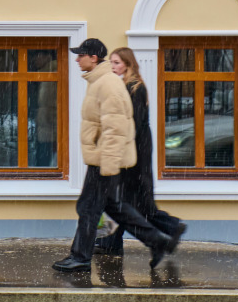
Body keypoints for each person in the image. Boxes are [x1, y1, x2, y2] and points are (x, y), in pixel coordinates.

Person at [52, 38, 173, 277]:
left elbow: (115, 128)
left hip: (104, 160)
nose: (77, 59)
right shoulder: (100, 82)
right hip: (102, 158)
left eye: (81, 55)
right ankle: (157, 241)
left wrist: (107, 164)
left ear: (93, 57)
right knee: (112, 207)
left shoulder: (107, 84)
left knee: (88, 207)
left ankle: (80, 257)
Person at [95, 46, 187, 257]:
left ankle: (172, 226)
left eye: (117, 62)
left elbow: (133, 125)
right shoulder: (127, 87)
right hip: (131, 150)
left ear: (128, 64)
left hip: (135, 153)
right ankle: (111, 241)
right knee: (121, 201)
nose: (113, 66)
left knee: (128, 202)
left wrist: (118, 150)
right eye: (111, 62)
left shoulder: (136, 89)